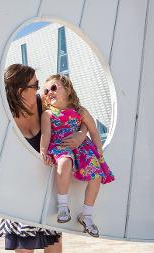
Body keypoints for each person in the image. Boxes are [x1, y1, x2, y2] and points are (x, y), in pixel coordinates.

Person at [0, 64, 88, 252]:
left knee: (54, 246)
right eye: (35, 84)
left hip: (46, 191)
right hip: (20, 194)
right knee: (24, 248)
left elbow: (79, 114)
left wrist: (81, 133)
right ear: (20, 90)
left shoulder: (44, 104)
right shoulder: (4, 116)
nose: (40, 89)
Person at [40, 74, 115, 238]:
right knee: (64, 163)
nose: (49, 92)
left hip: (83, 148)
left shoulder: (80, 111)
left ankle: (86, 215)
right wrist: (44, 151)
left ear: (67, 90)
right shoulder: (48, 114)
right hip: (61, 146)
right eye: (46, 91)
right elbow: (45, 134)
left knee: (96, 176)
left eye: (53, 87)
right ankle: (63, 206)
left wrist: (99, 152)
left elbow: (94, 130)